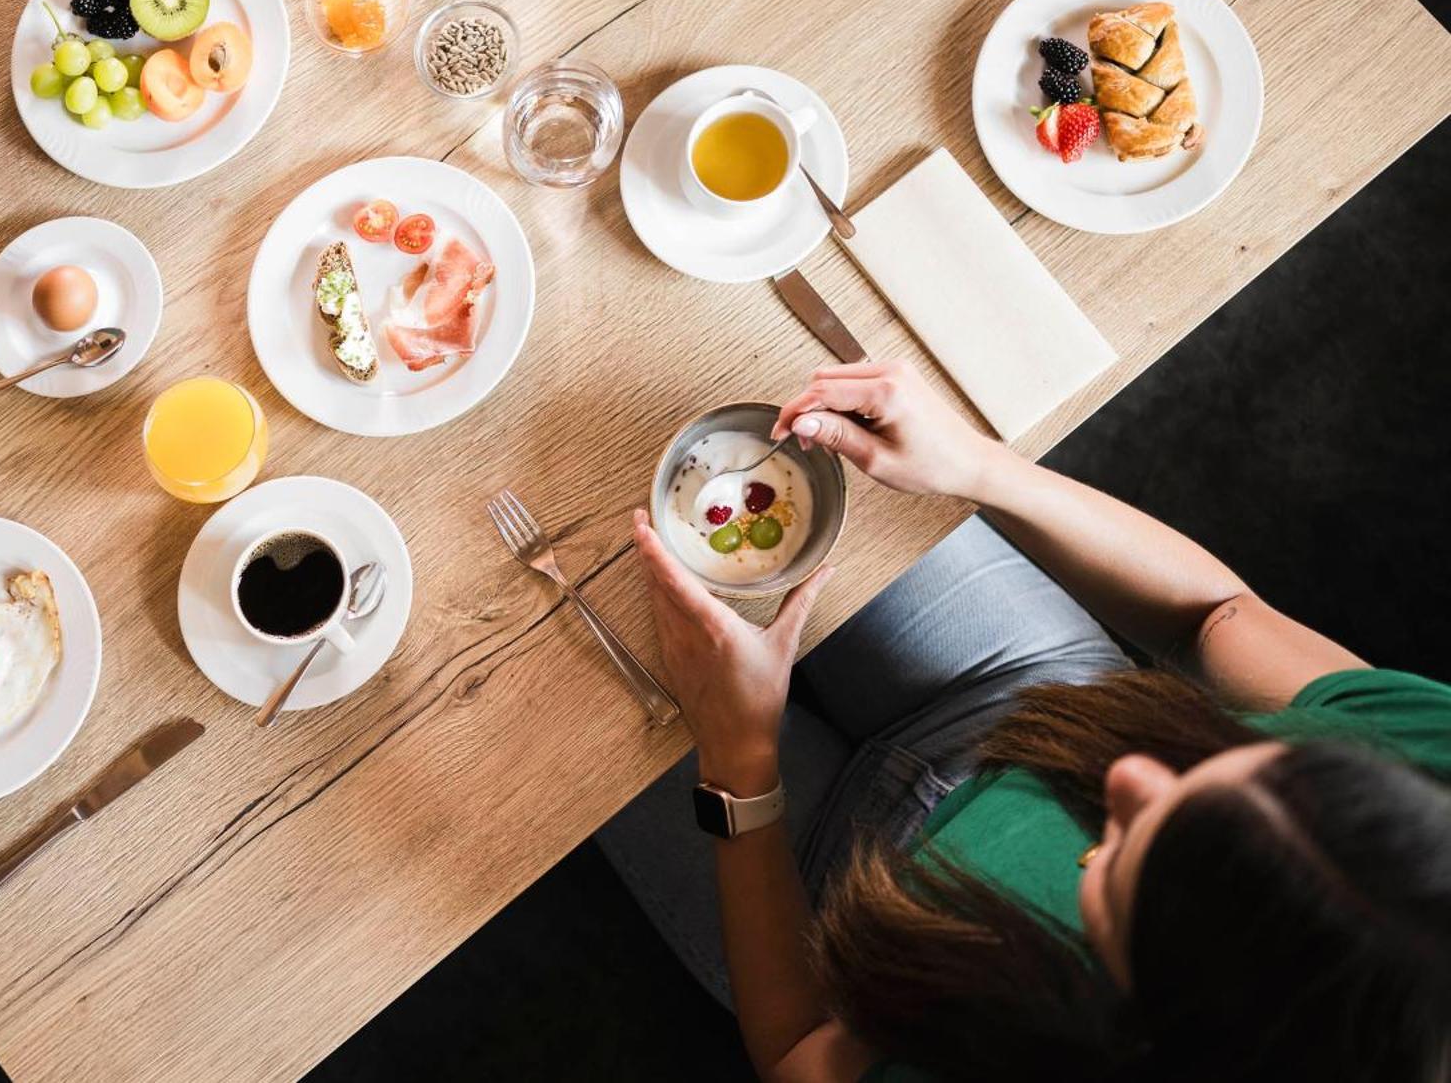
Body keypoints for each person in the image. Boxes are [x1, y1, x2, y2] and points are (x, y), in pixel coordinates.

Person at [600, 359, 1451, 1083]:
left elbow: (796, 1050)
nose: (1127, 774)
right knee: (697, 420)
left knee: (564, 640)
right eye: (1253, 759)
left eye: (1126, 860)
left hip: (825, 915)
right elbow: (1215, 615)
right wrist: (976, 467)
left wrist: (740, 756)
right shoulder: (1433, 768)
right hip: (1027, 686)